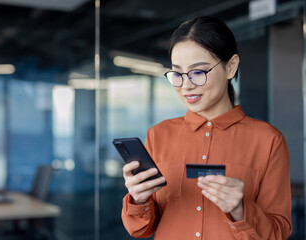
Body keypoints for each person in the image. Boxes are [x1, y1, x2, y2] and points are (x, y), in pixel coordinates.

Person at [121, 16, 292, 240]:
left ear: (230, 67)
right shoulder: (158, 135)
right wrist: (138, 200)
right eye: (178, 74)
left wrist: (241, 210)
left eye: (198, 72)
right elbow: (140, 229)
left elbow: (279, 233)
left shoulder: (268, 141)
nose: (186, 85)